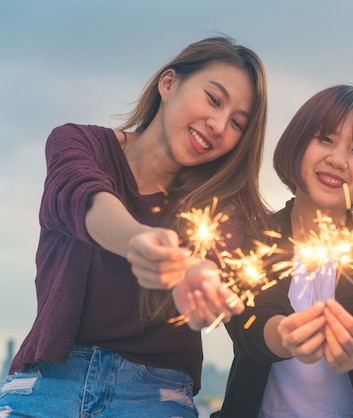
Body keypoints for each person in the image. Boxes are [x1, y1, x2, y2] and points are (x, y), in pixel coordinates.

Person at [0, 36, 268, 417]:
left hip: (153, 395)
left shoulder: (220, 205)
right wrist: (138, 240)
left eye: (237, 122)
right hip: (47, 384)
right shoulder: (77, 142)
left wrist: (200, 278)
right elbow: (83, 197)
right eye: (213, 99)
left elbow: (211, 264)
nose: (218, 125)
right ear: (169, 83)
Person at [179, 84, 353, 417]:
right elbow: (253, 326)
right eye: (326, 140)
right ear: (298, 144)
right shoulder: (252, 236)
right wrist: (285, 337)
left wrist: (351, 340)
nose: (337, 160)